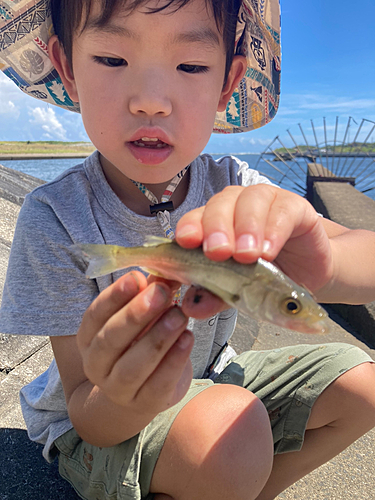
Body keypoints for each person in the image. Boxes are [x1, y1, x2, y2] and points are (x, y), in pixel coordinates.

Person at [0, 0, 375, 499]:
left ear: (227, 83)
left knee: (361, 388)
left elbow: (364, 254)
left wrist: (323, 264)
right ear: (66, 69)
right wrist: (128, 399)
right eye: (113, 59)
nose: (151, 101)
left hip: (214, 378)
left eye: (191, 65)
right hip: (100, 423)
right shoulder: (54, 217)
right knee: (229, 433)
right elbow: (86, 413)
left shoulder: (236, 184)